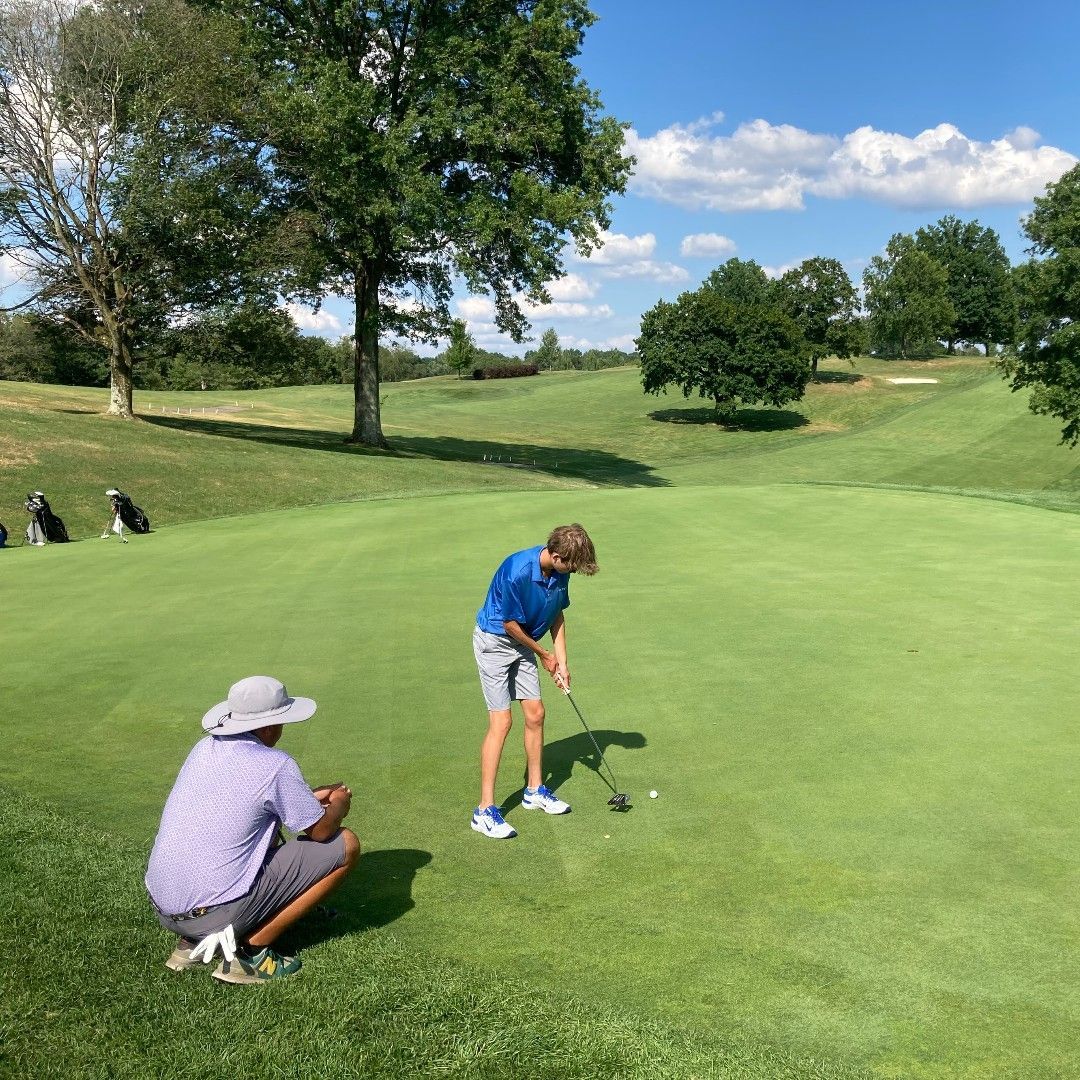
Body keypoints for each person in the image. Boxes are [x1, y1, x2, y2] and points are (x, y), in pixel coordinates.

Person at [145, 675, 360, 983]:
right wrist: (339, 803)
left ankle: (189, 946)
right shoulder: (276, 764)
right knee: (346, 844)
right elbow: (322, 832)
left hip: (166, 909)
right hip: (214, 914)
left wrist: (308, 798)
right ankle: (251, 955)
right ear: (269, 725)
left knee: (263, 835)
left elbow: (240, 805)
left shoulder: (205, 748)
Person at [471, 523, 598, 839]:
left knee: (536, 713)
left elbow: (557, 614)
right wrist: (543, 654)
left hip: (524, 641)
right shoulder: (517, 570)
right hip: (495, 642)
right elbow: (509, 624)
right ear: (555, 555)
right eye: (570, 566)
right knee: (502, 722)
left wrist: (563, 662)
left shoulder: (560, 571)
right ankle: (484, 810)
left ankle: (535, 790)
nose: (573, 572)